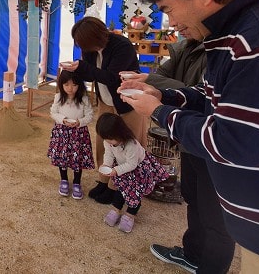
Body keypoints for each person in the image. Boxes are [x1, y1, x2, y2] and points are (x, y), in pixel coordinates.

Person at [118, 0, 259, 272]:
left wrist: (159, 111)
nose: (171, 23)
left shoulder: (256, 46)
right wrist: (163, 95)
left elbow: (237, 142)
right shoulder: (234, 37)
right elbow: (212, 96)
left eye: (169, 9)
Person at [124, 38, 235, 273]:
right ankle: (193, 255)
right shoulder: (187, 46)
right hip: (191, 141)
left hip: (215, 150)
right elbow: (198, 90)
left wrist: (157, 104)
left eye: (169, 8)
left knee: (217, 221)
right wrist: (156, 88)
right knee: (194, 199)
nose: (173, 22)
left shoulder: (235, 47)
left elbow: (209, 104)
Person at [63, 16, 147, 204]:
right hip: (106, 102)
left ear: (96, 37)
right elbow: (91, 75)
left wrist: (83, 66)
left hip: (128, 103)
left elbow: (111, 77)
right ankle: (104, 181)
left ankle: (121, 188)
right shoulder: (89, 50)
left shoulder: (122, 46)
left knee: (129, 145)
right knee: (104, 142)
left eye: (84, 43)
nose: (83, 48)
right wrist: (75, 69)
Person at [96, 113, 169, 233]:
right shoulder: (108, 141)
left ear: (119, 133)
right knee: (121, 189)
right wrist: (107, 165)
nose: (109, 142)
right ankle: (116, 209)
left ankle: (130, 215)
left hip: (137, 170)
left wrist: (116, 170)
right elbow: (109, 154)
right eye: (106, 139)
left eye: (110, 139)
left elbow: (132, 164)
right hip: (122, 168)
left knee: (135, 193)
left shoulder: (131, 144)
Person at [47, 70, 94, 199]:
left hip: (79, 134)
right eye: (66, 85)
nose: (70, 88)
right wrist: (62, 120)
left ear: (80, 85)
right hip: (62, 132)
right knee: (63, 157)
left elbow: (90, 115)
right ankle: (64, 180)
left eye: (74, 85)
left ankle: (77, 183)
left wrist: (80, 122)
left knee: (77, 158)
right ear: (61, 85)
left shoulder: (83, 98)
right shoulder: (58, 97)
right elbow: (53, 112)